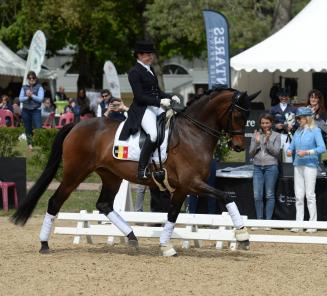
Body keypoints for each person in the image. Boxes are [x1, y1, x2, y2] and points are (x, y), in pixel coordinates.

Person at [119, 40, 180, 180]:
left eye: (151, 54)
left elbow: (157, 91)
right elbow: (140, 97)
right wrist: (159, 101)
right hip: (143, 108)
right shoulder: (134, 72)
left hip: (155, 106)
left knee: (173, 124)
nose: (151, 57)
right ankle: (142, 168)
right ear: (139, 55)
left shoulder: (150, 69)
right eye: (148, 54)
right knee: (152, 134)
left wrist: (170, 97)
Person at [287, 107, 326, 233]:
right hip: (297, 165)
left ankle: (312, 224)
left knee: (310, 195)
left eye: (300, 118)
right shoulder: (297, 131)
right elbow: (292, 145)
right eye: (297, 118)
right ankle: (299, 223)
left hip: (310, 165)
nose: (298, 120)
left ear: (307, 118)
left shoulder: (315, 130)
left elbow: (322, 148)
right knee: (298, 196)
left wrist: (307, 152)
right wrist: (289, 150)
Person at [249, 113, 281, 227]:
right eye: (263, 123)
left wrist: (267, 142)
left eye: (267, 123)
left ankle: (267, 222)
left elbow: (277, 153)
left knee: (269, 194)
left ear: (271, 123)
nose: (265, 125)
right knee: (257, 195)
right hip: (257, 167)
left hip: (271, 167)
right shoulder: (256, 134)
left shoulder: (276, 135)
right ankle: (259, 220)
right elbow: (251, 153)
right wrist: (257, 143)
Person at [269, 88, 297, 162]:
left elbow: (297, 123)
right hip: (276, 134)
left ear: (288, 97)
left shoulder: (293, 109)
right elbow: (268, 122)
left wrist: (292, 127)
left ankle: (289, 171)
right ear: (279, 97)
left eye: (286, 96)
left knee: (288, 155)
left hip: (288, 135)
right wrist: (275, 126)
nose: (284, 98)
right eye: (282, 96)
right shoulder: (273, 109)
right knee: (275, 155)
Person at [19, 71, 44, 150]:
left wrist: (32, 95)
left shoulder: (40, 87)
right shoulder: (24, 87)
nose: (31, 79)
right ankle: (30, 145)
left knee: (38, 128)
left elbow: (40, 99)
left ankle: (40, 143)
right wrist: (28, 97)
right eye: (30, 78)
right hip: (25, 110)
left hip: (36, 110)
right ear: (27, 79)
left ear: (36, 78)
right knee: (28, 128)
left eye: (33, 78)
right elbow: (20, 99)